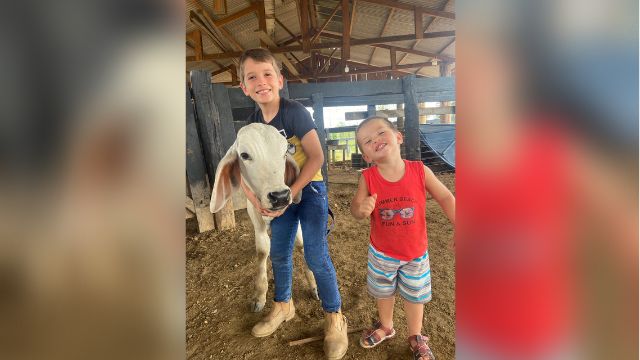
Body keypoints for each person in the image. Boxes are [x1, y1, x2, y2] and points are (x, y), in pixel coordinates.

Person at [237, 48, 348, 360]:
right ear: (245, 87)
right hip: (277, 196)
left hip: (309, 189)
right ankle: (283, 305)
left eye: (267, 74)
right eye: (252, 77)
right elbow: (245, 168)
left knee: (315, 255)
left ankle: (334, 317)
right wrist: (256, 201)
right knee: (279, 253)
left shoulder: (295, 111)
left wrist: (292, 192)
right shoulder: (251, 123)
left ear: (280, 80)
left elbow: (316, 157)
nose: (261, 81)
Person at [350, 116, 455, 360]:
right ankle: (386, 326)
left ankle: (416, 336)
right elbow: (356, 209)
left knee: (415, 296)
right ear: (366, 156)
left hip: (415, 253)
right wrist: (361, 208)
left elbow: (446, 198)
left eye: (380, 133)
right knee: (383, 293)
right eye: (367, 141)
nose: (375, 140)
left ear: (398, 137)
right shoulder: (367, 177)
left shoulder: (420, 170)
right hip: (381, 253)